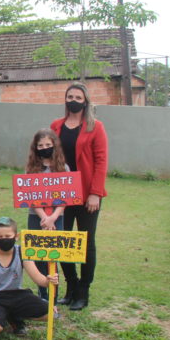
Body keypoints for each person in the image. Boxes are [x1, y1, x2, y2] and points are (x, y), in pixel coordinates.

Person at [50, 83, 108, 310]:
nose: (73, 100)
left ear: (85, 101)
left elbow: (101, 161)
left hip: (87, 195)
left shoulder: (96, 127)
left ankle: (84, 291)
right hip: (62, 194)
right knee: (62, 241)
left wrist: (95, 193)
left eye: (78, 97)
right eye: (70, 96)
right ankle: (71, 286)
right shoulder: (56, 125)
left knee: (85, 243)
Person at [0, 217, 59, 338]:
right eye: (0, 237)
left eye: (8, 236)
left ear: (16, 236)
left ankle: (13, 316)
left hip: (17, 295)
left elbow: (38, 278)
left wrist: (49, 281)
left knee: (52, 314)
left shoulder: (22, 252)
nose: (4, 240)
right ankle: (0, 318)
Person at [24, 128, 69, 301]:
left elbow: (66, 196)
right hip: (36, 217)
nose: (44, 148)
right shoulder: (31, 169)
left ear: (54, 145)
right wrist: (44, 217)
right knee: (38, 255)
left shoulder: (63, 168)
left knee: (53, 256)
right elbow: (30, 195)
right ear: (35, 148)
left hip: (58, 217)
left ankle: (53, 297)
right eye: (40, 145)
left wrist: (53, 217)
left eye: (48, 145)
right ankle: (42, 294)